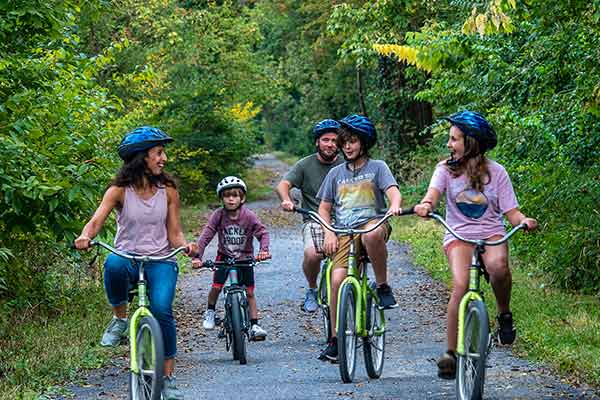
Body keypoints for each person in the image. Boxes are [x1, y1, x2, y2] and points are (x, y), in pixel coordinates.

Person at [413, 110, 538, 379]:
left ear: (471, 143)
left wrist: (524, 220)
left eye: (454, 139)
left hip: (491, 233)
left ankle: (504, 313)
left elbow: (511, 213)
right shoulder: (445, 170)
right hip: (458, 235)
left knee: (499, 267)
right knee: (460, 285)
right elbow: (432, 195)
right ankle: (450, 353)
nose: (449, 144)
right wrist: (426, 205)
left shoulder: (497, 173)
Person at [74, 126, 196, 400]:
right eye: (158, 153)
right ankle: (119, 320)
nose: (163, 159)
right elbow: (96, 221)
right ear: (141, 157)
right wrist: (85, 236)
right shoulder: (118, 191)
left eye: (163, 153)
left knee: (163, 311)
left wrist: (186, 246)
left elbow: (175, 232)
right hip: (128, 256)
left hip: (160, 260)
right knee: (114, 263)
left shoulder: (169, 191)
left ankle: (168, 380)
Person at [316, 114, 403, 361]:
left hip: (372, 222)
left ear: (364, 143)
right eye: (344, 142)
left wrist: (394, 206)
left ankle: (383, 286)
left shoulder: (378, 167)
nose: (347, 146)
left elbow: (393, 193)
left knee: (373, 233)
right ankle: (334, 339)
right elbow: (324, 208)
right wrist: (329, 231)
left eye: (352, 141)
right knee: (337, 278)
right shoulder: (335, 174)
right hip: (344, 230)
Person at [276, 119, 343, 313]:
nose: (330, 144)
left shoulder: (346, 164)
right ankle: (312, 289)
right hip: (314, 219)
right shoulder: (305, 165)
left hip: (344, 220)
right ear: (317, 142)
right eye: (325, 140)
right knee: (313, 254)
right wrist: (287, 200)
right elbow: (283, 185)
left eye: (334, 140)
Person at [192, 176, 271, 341]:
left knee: (249, 292)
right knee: (216, 287)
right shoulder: (218, 215)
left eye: (235, 195)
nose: (231, 198)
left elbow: (262, 233)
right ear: (221, 198)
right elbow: (206, 236)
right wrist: (197, 257)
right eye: (227, 195)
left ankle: (254, 324)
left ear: (242, 198)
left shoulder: (248, 216)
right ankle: (210, 312)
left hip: (245, 258)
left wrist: (264, 250)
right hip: (224, 257)